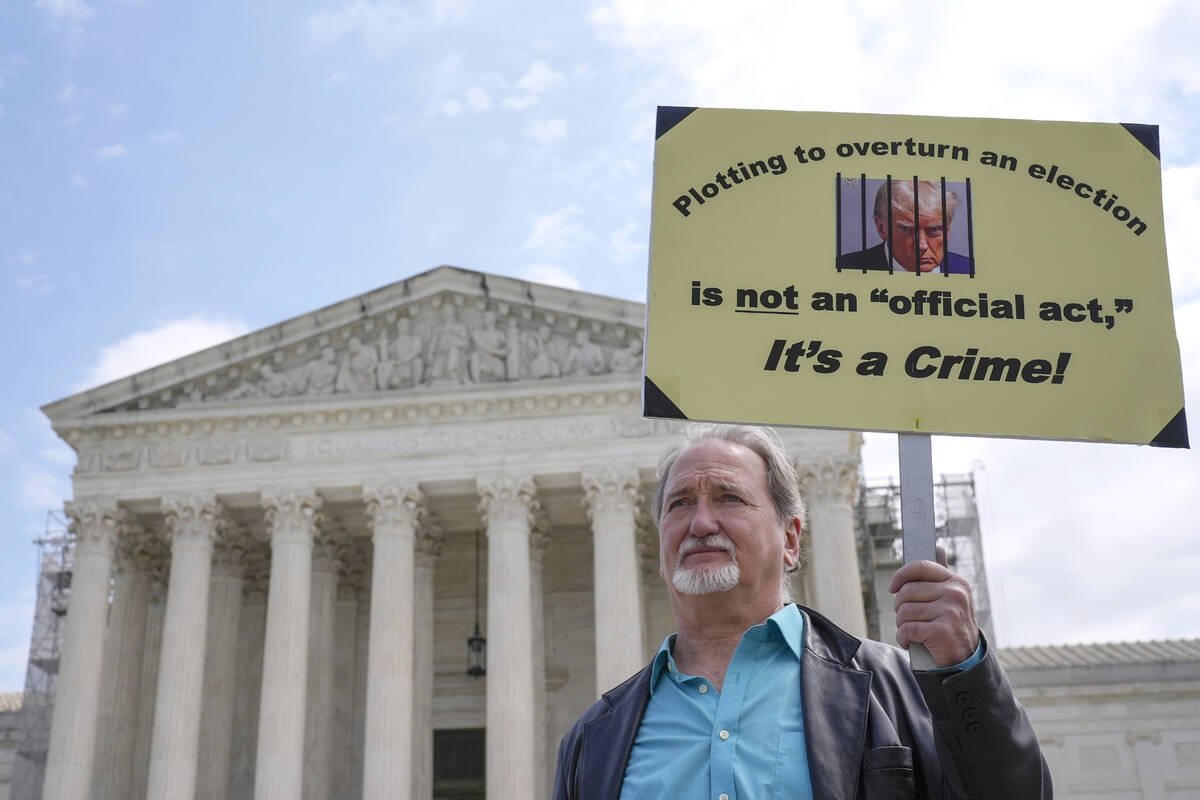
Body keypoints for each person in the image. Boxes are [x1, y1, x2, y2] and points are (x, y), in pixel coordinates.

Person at [553, 424, 1050, 799]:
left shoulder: (897, 687)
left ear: (790, 540)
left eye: (729, 497)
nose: (701, 521)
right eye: (679, 504)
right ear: (660, 547)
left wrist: (965, 671)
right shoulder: (594, 737)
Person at [838, 180, 972, 274]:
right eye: (907, 229)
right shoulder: (843, 269)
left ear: (948, 230)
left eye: (934, 230)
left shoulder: (970, 269)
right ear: (881, 228)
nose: (921, 245)